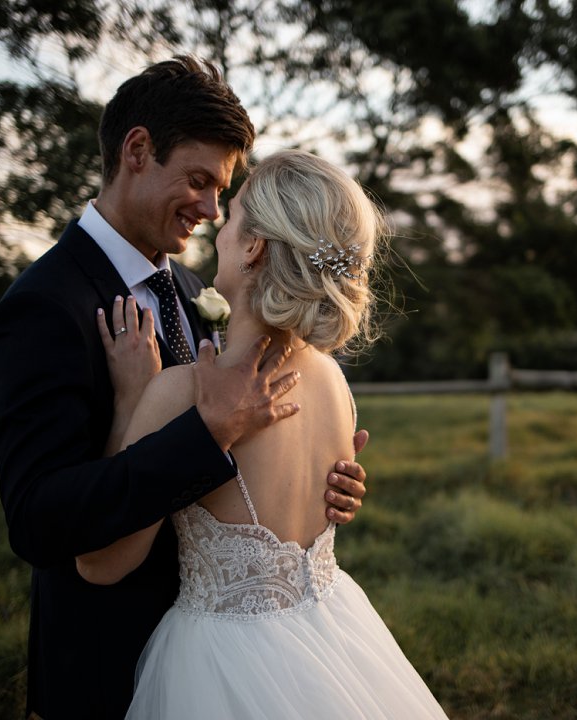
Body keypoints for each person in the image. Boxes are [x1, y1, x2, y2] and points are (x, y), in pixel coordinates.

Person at [0, 57, 369, 720]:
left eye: (224, 193)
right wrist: (202, 434)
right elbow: (38, 520)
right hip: (110, 660)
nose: (211, 209)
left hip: (236, 663)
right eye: (197, 181)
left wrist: (317, 490)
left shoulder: (199, 294)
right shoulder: (46, 305)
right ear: (137, 151)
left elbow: (241, 476)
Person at [76, 149, 448, 718]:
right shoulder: (331, 379)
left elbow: (100, 564)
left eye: (232, 217)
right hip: (330, 637)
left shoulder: (181, 391)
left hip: (219, 659)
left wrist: (132, 399)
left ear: (255, 247)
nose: (218, 227)